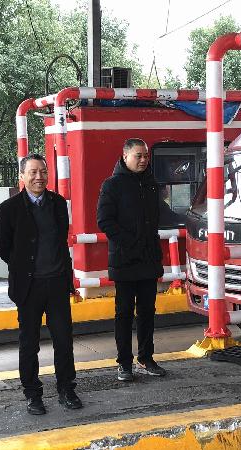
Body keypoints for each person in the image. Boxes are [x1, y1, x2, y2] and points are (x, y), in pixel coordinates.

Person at [0, 153, 82, 415]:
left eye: (43, 171)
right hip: (28, 287)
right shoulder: (8, 209)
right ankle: (32, 394)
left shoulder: (57, 203)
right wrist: (24, 267)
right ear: (22, 176)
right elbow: (2, 247)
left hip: (56, 283)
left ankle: (67, 389)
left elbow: (61, 241)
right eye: (32, 172)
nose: (39, 177)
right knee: (29, 343)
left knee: (63, 340)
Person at [97, 138, 167, 382]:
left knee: (147, 312)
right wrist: (130, 243)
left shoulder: (151, 184)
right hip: (125, 260)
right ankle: (124, 363)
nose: (144, 160)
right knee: (124, 313)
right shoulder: (112, 185)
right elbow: (104, 221)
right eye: (139, 156)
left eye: (146, 156)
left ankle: (146, 358)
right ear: (125, 156)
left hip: (148, 259)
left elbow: (157, 217)